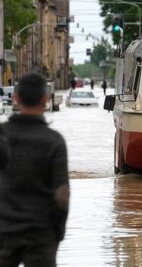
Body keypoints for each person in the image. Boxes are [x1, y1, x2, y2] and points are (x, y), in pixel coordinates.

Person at [0, 72, 70, 267]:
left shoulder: (2, 134)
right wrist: (58, 231)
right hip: (41, 232)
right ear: (46, 99)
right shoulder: (54, 141)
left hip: (4, 229)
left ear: (16, 98)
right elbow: (62, 194)